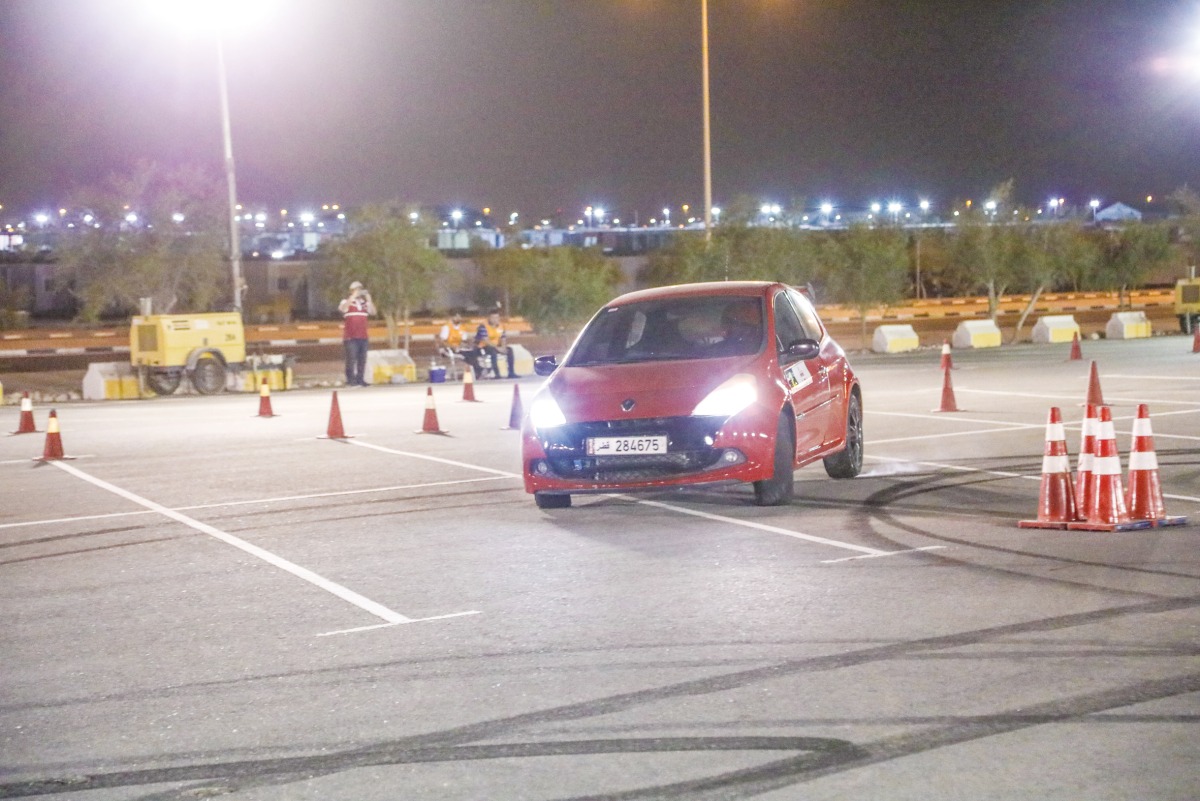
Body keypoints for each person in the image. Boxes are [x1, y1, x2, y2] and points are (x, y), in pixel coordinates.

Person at [337, 281, 375, 386]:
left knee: (362, 359)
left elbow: (372, 312)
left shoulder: (364, 303)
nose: (359, 291)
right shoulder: (346, 301)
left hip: (363, 336)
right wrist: (353, 297)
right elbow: (342, 308)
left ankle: (360, 379)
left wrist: (369, 299)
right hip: (350, 337)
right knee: (351, 359)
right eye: (356, 289)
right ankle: (350, 380)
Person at [436, 311, 478, 378]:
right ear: (452, 318)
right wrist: (452, 346)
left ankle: (477, 371)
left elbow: (464, 339)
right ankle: (477, 371)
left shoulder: (462, 327)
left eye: (459, 317)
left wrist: (470, 341)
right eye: (457, 317)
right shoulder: (447, 327)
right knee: (468, 355)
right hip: (449, 349)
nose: (459, 318)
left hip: (460, 348)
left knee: (473, 353)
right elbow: (441, 341)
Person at [480, 310, 518, 378]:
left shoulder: (501, 326)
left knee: (509, 350)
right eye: (493, 318)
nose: (495, 319)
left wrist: (503, 347)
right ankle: (497, 374)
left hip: (497, 346)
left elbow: (503, 338)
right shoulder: (483, 326)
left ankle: (511, 373)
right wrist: (497, 348)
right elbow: (485, 340)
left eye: (497, 317)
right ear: (489, 318)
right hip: (486, 347)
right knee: (492, 351)